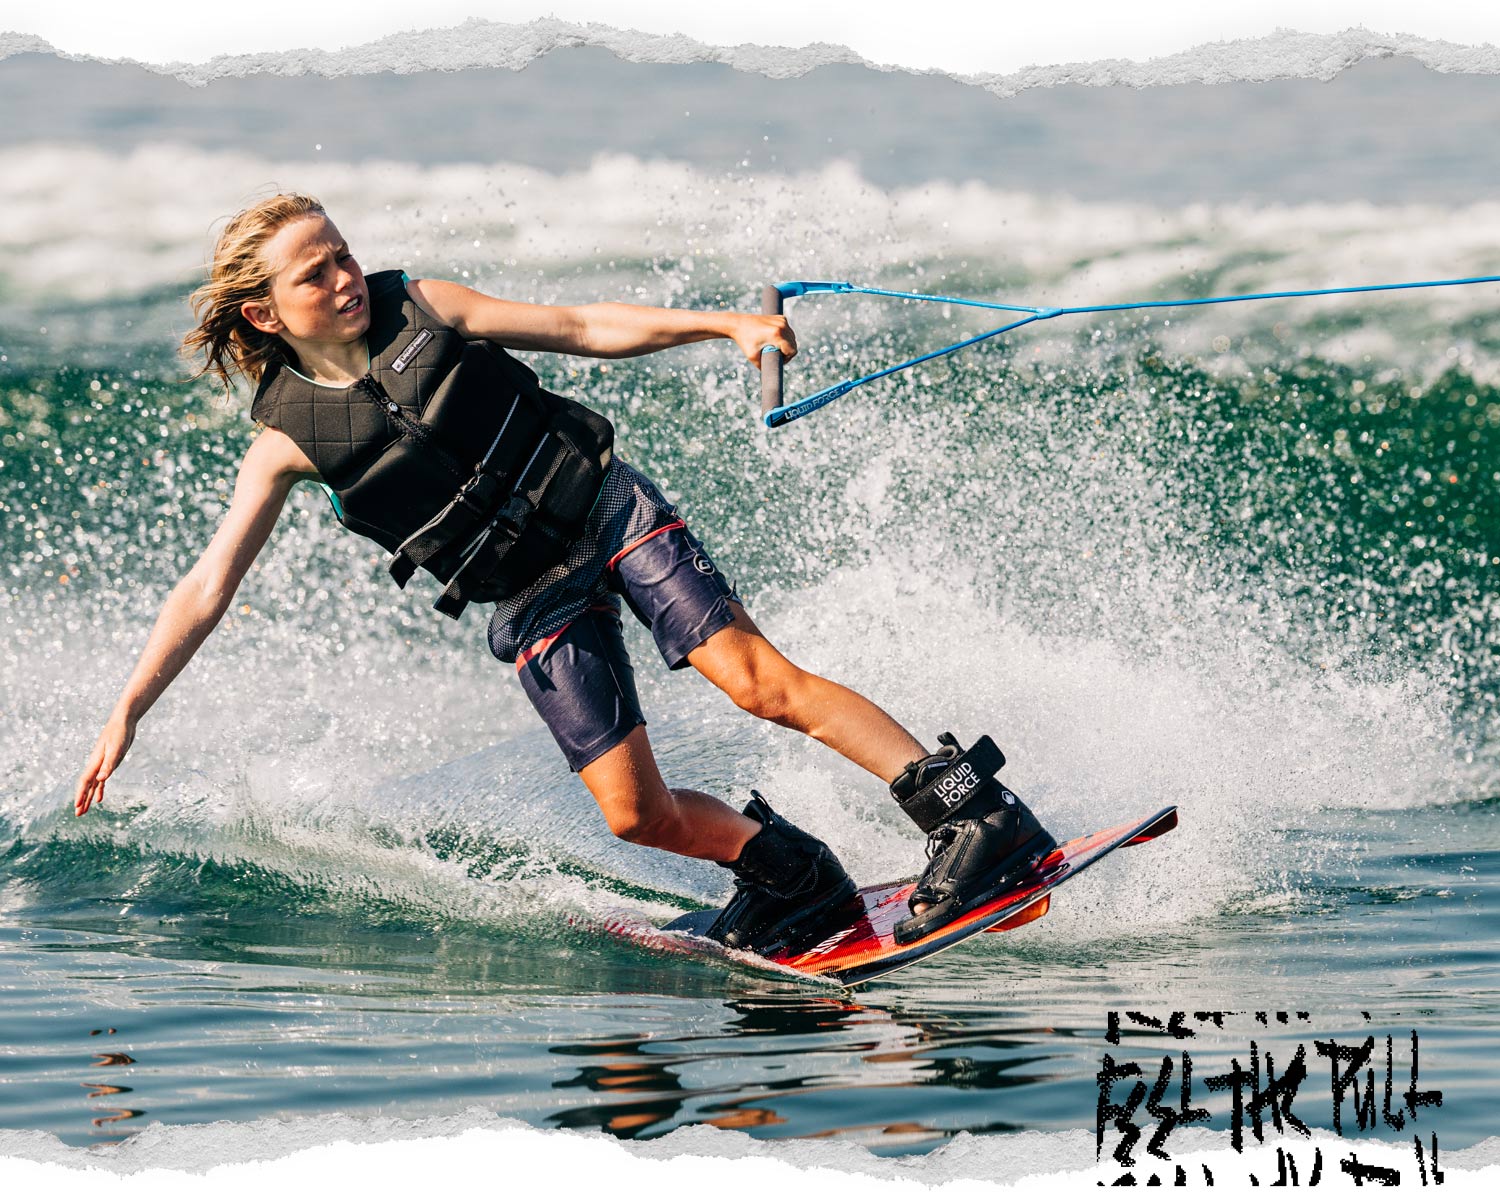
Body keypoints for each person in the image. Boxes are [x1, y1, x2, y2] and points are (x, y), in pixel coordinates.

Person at [71, 193, 1055, 952]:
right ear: (264, 309)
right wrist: (126, 712)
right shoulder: (287, 441)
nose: (344, 276)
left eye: (343, 254)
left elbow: (582, 326)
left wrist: (725, 327)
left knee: (760, 682)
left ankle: (977, 813)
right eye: (315, 272)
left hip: (606, 511)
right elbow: (206, 590)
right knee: (636, 816)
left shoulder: (426, 306)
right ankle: (791, 876)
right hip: (532, 595)